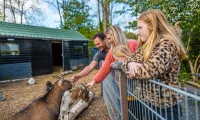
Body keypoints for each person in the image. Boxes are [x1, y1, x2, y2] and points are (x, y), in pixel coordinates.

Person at [121, 9, 188, 120]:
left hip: (165, 108)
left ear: (151, 26)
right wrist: (131, 63)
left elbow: (150, 70)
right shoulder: (145, 46)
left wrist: (130, 69)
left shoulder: (167, 44)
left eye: (140, 28)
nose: (137, 32)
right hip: (147, 102)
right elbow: (125, 63)